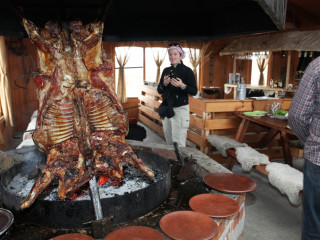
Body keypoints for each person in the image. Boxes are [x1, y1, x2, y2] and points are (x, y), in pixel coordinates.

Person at [288, 56, 320, 240]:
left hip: (318, 159)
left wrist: (309, 140)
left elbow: (297, 116)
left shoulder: (317, 67)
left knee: (314, 227)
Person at [157, 43, 197, 147]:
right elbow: (159, 90)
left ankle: (180, 163)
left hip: (180, 110)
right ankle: (172, 163)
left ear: (180, 55)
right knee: (169, 141)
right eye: (170, 54)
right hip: (167, 108)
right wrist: (164, 84)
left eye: (175, 54)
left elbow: (194, 91)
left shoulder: (188, 71)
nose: (172, 57)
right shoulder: (166, 70)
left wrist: (182, 85)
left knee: (178, 143)